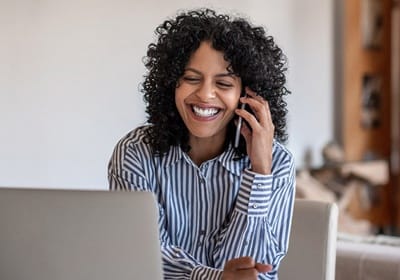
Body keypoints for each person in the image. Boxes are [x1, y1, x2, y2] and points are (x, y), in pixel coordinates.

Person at [108, 8, 295, 280]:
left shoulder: (277, 163)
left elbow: (255, 273)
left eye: (223, 82)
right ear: (171, 83)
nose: (206, 94)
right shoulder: (136, 154)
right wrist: (216, 278)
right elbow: (142, 257)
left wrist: (260, 173)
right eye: (191, 78)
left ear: (247, 94)